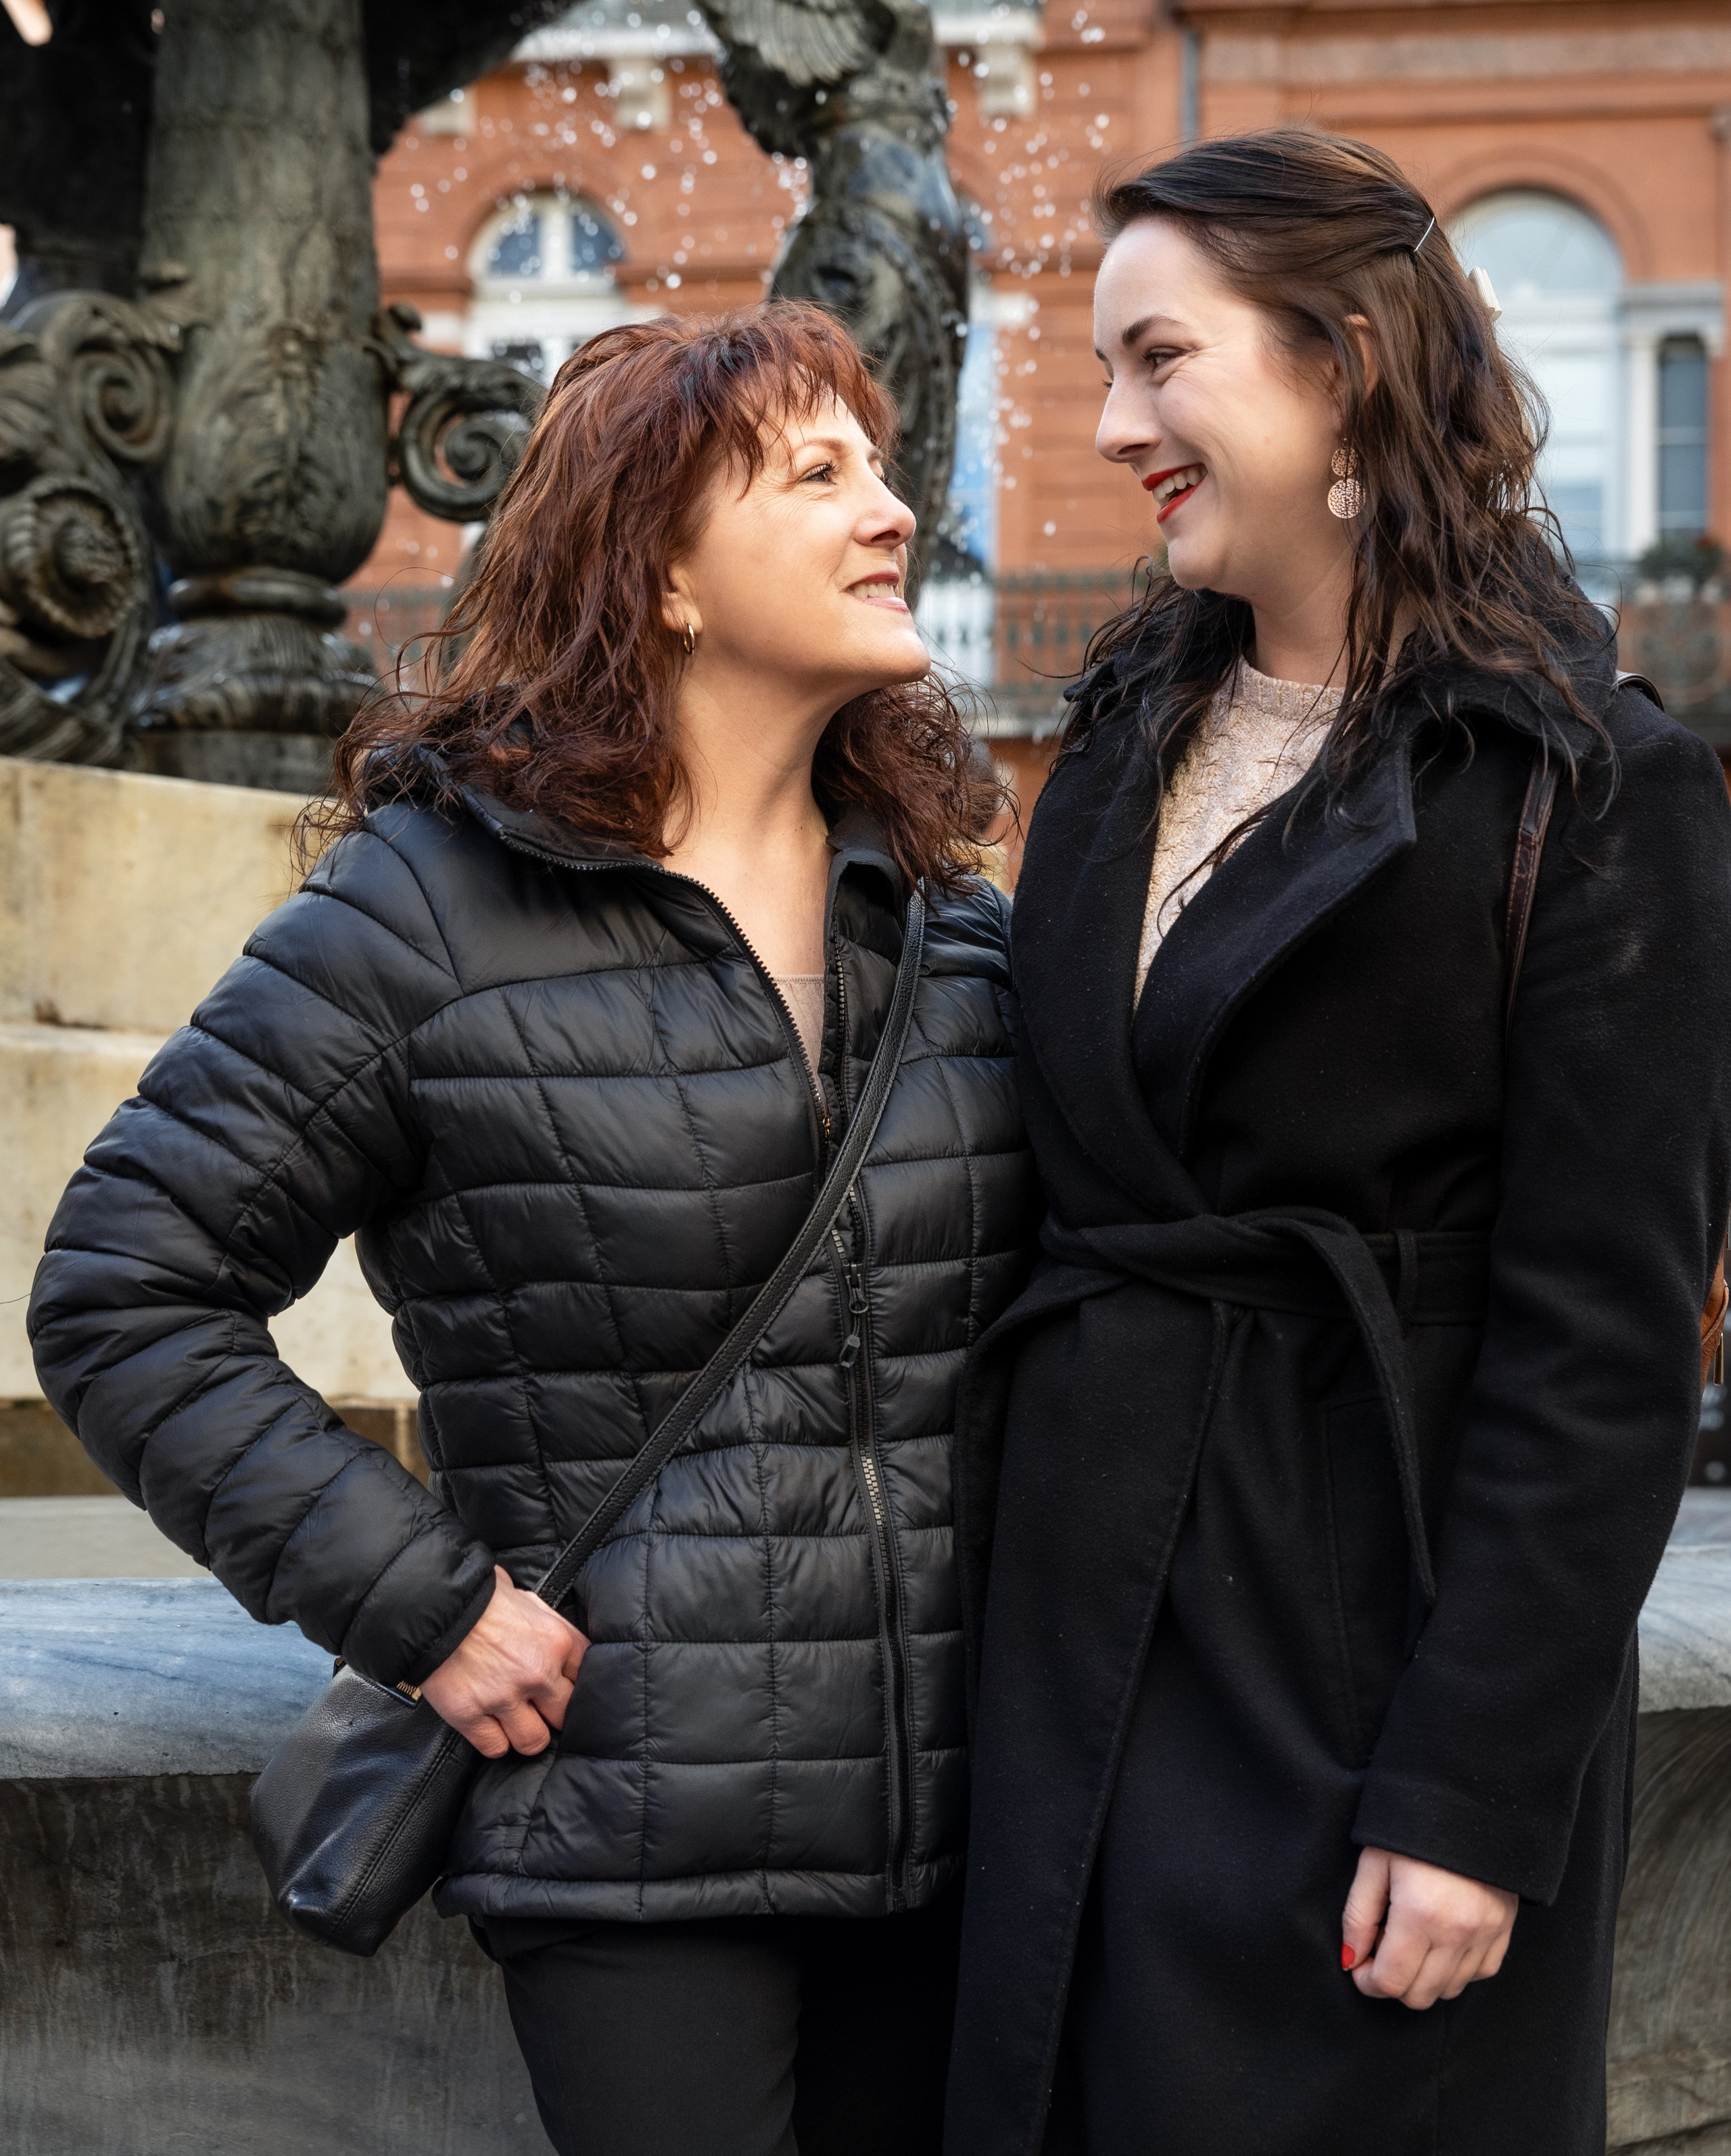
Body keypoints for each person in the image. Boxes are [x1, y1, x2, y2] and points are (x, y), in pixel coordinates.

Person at [30, 301, 1035, 2156]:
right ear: (660, 571)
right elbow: (125, 1291)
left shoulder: (952, 929)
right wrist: (423, 1608)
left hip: (978, 1829)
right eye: (820, 474)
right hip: (639, 1847)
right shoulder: (426, 909)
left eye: (884, 469)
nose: (895, 511)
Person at [945, 131, 1731, 2156]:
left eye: (1161, 358)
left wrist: (1470, 1796)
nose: (1114, 424)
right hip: (1080, 1630)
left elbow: (1608, 1349)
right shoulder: (1127, 728)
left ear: (1348, 362)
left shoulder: (1597, 779)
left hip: (1360, 1653)